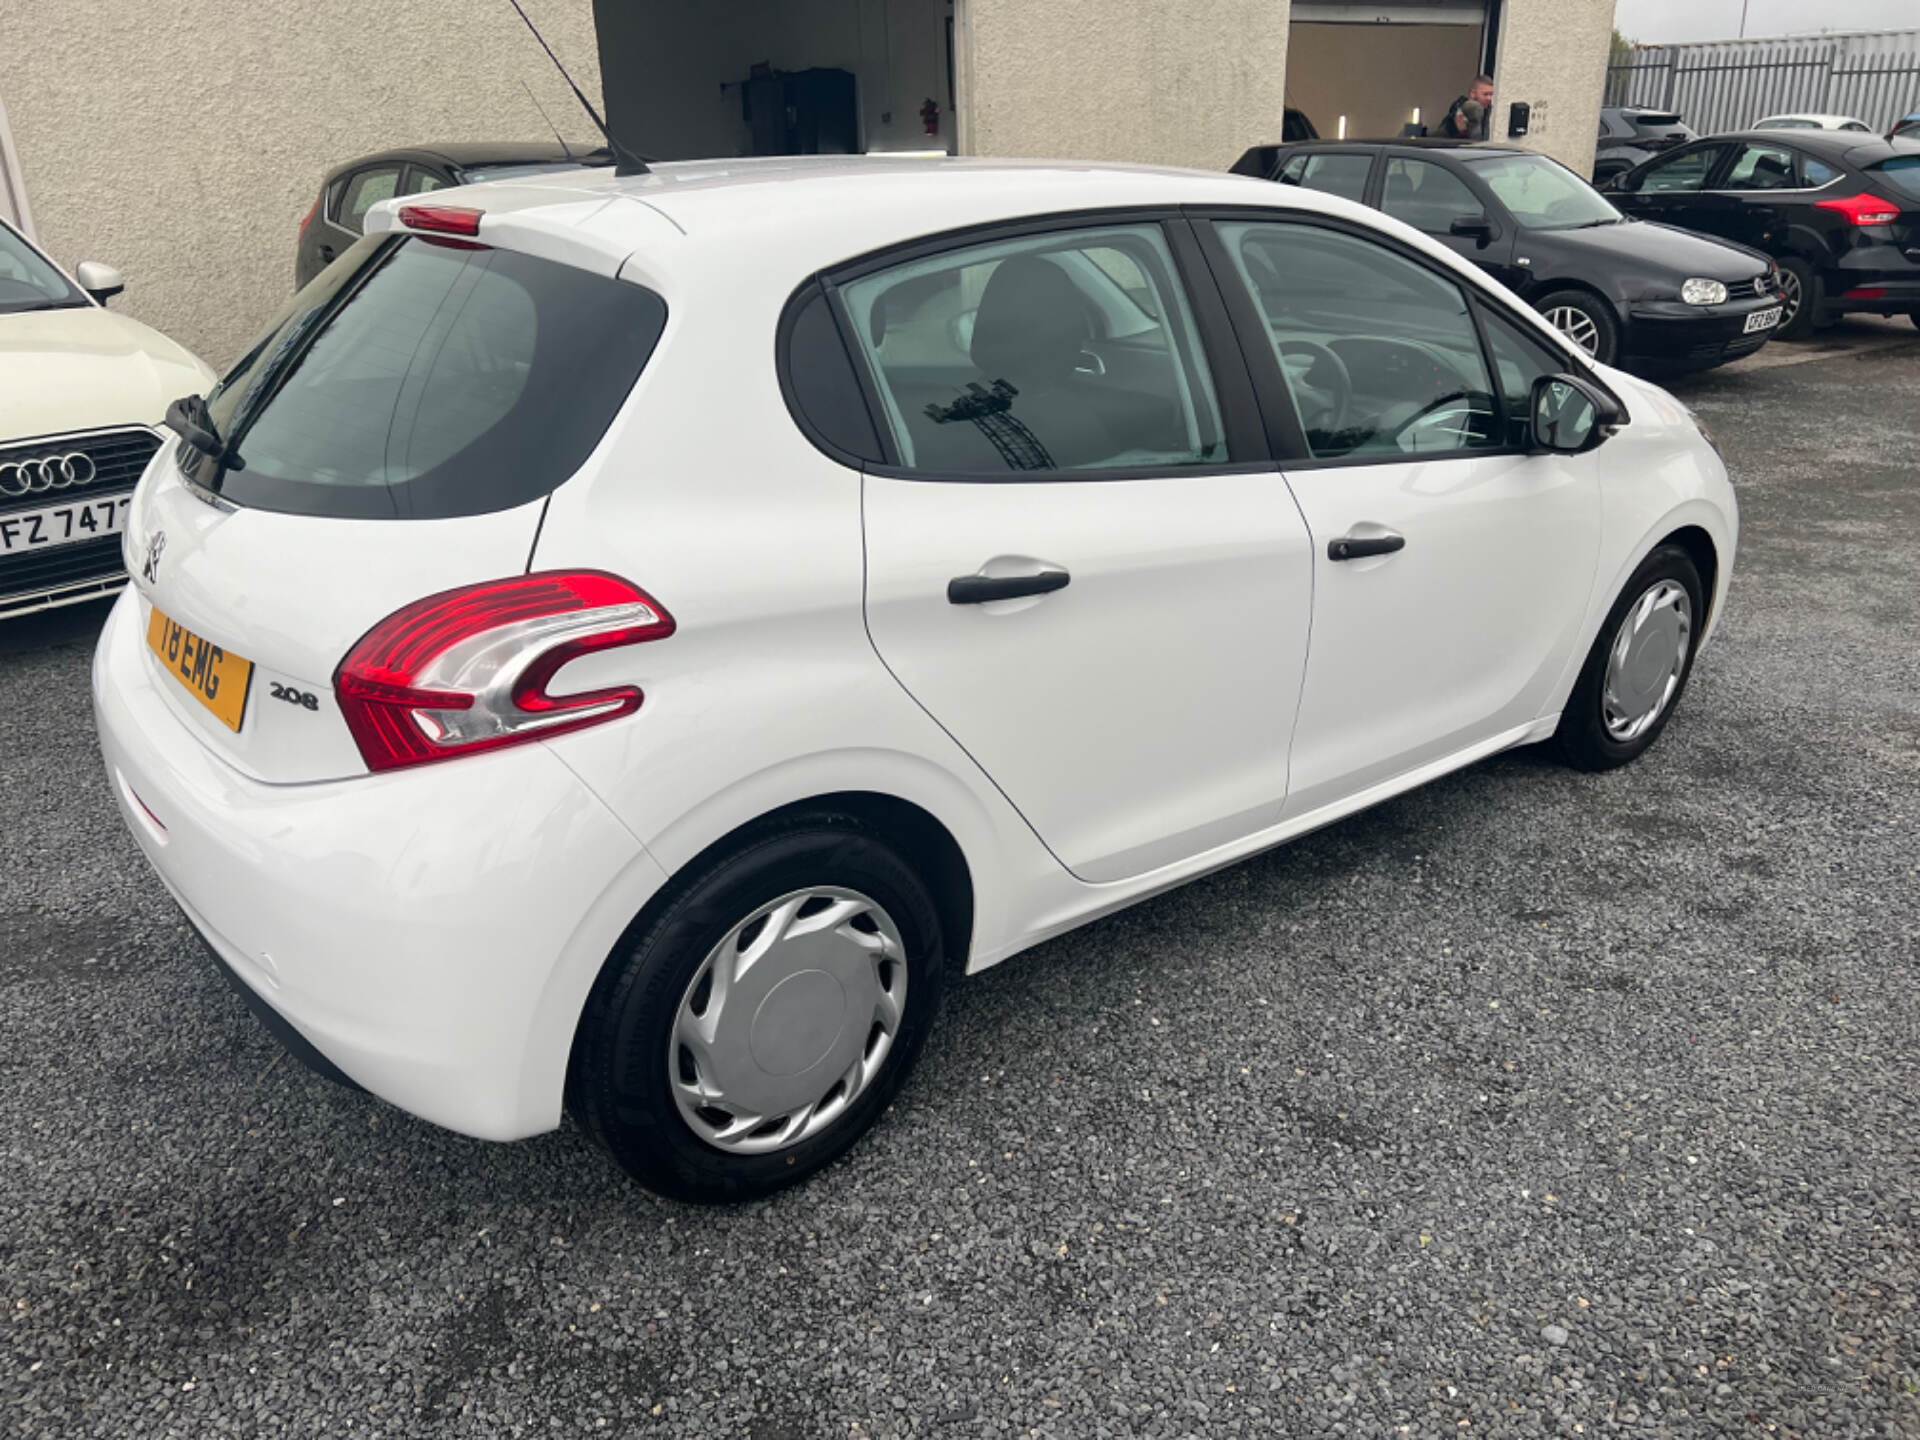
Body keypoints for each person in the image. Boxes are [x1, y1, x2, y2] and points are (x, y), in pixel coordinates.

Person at [1444, 75, 1494, 140]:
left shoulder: (1488, 110)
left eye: (1491, 94)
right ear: (1473, 94)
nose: (1489, 98)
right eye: (1485, 94)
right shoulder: (1466, 108)